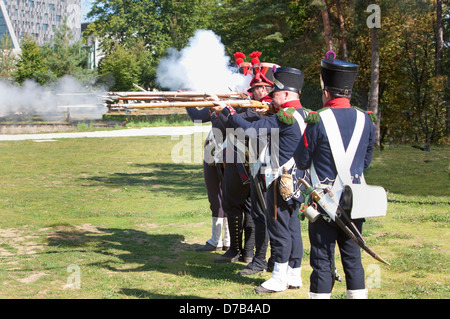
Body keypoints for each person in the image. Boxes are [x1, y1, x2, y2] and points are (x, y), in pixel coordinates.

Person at [212, 66, 309, 294]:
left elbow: (250, 129)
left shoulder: (285, 117)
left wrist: (227, 111)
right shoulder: (304, 114)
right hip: (296, 180)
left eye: (276, 91)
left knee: (279, 229)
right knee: (293, 227)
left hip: (278, 179)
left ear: (286, 94)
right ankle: (294, 274)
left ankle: (278, 278)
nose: (272, 94)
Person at [293, 51, 375, 299]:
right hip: (356, 199)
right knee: (353, 257)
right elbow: (367, 160)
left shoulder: (317, 119)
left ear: (326, 91)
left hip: (324, 200)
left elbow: (302, 159)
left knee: (321, 258)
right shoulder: (366, 119)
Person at [237, 59, 277, 276]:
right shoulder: (257, 106)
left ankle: (265, 260)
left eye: (260, 88)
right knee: (259, 214)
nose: (257, 91)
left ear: (267, 87)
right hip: (256, 165)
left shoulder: (270, 108)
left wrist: (232, 112)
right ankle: (264, 259)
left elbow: (250, 119)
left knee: (265, 215)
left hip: (269, 169)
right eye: (254, 88)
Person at [185, 106, 230, 252]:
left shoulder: (237, 106)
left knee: (226, 197)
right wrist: (189, 100)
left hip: (227, 154)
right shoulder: (215, 105)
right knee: (216, 197)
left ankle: (227, 240)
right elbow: (196, 117)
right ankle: (218, 239)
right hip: (214, 153)